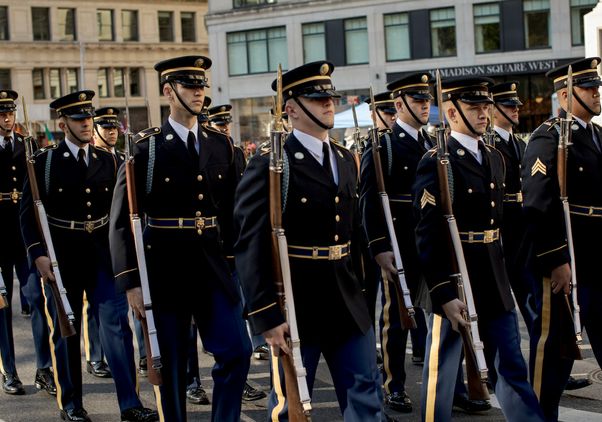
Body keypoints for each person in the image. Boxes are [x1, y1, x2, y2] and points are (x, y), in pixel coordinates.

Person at [234, 60, 383, 421]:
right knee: (292, 404)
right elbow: (250, 242)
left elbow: (355, 234)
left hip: (346, 299)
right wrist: (266, 314)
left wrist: (364, 292)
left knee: (366, 395)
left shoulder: (347, 159)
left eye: (330, 97)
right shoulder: (272, 164)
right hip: (297, 302)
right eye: (318, 99)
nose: (329, 104)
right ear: (292, 109)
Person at [109, 55, 252, 422]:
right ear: (168, 92)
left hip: (215, 266)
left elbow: (237, 213)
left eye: (202, 85)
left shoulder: (223, 147)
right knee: (170, 365)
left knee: (237, 350)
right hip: (165, 268)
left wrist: (243, 266)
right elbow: (122, 221)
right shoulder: (146, 150)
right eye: (190, 85)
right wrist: (131, 283)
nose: (199, 92)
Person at [20, 90, 158, 422]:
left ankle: (129, 404)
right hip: (61, 257)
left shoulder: (109, 160)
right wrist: (37, 253)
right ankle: (71, 404)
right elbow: (27, 213)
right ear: (62, 123)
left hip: (102, 255)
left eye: (88, 118)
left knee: (116, 327)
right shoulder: (45, 162)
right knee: (66, 328)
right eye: (79, 119)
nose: (86, 124)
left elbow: (124, 212)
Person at [413, 76, 544, 422]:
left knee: (511, 366)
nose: (484, 113)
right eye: (474, 107)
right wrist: (442, 291)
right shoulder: (437, 161)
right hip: (453, 277)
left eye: (486, 106)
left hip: (492, 273)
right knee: (442, 374)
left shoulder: (495, 158)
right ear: (453, 113)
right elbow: (428, 232)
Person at [522, 57, 602, 421]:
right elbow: (539, 204)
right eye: (589, 88)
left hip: (599, 260)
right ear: (566, 94)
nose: (597, 93)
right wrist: (556, 259)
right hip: (569, 260)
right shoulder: (548, 138)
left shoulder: (596, 135)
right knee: (554, 355)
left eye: (597, 86)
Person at [360, 77, 433, 414]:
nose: (424, 105)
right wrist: (378, 245)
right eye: (417, 100)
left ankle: (447, 382)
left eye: (426, 100)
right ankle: (394, 384)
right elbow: (369, 200)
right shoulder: (383, 146)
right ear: (400, 104)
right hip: (399, 242)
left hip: (430, 241)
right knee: (396, 316)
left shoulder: (432, 142)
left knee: (438, 313)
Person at [0, 89, 55, 396]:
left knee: (36, 299)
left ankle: (43, 368)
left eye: (10, 113)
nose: (8, 118)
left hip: (23, 235)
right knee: (2, 305)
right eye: (2, 114)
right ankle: (9, 369)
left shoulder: (28, 144)